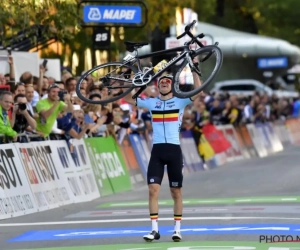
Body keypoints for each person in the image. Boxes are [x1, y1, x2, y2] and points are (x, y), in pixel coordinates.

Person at [124, 59, 202, 242]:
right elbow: (128, 99)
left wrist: (194, 69)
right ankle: (154, 230)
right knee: (152, 190)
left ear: (172, 86)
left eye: (168, 81)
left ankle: (177, 230)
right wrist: (131, 78)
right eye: (161, 81)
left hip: (174, 151)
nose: (165, 82)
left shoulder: (180, 101)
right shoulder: (151, 103)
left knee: (176, 192)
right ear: (158, 86)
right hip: (157, 152)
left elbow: (199, 90)